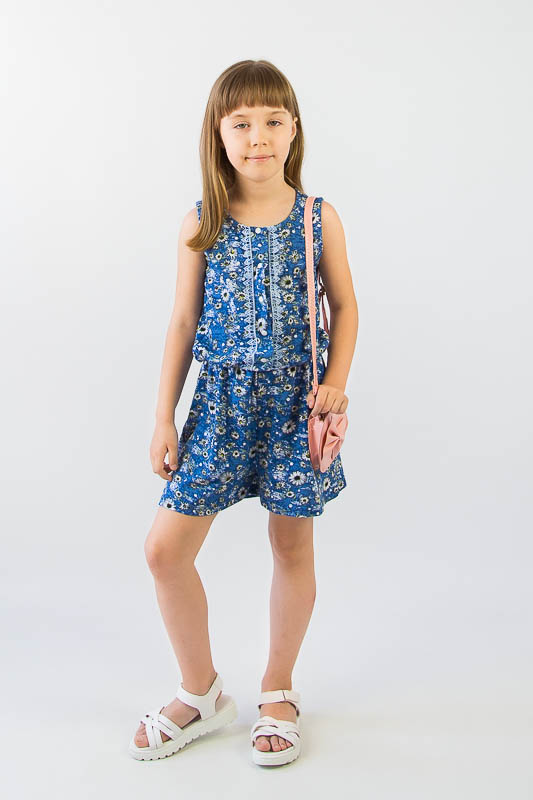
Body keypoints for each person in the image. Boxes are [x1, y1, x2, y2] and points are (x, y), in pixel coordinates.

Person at [128, 59, 358, 766]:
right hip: (219, 408)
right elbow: (181, 323)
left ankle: (278, 689)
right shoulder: (202, 221)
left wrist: (335, 382)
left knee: (290, 547)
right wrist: (163, 416)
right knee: (165, 551)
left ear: (293, 130)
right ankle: (200, 692)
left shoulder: (318, 218)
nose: (258, 136)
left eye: (272, 121)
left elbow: (345, 306)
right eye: (241, 123)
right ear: (218, 134)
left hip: (294, 410)